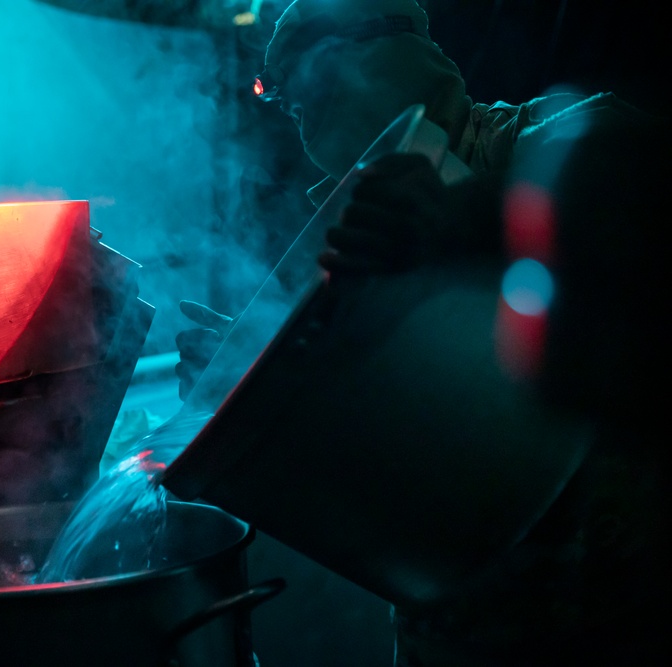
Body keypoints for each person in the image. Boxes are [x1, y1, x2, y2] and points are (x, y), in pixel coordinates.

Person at [175, 0, 670, 664]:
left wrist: (460, 218)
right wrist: (256, 386)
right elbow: (392, 441)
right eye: (288, 103)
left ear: (391, 50)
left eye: (313, 81)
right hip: (453, 632)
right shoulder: (353, 252)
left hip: (614, 612)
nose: (302, 115)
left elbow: (639, 190)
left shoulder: (546, 138)